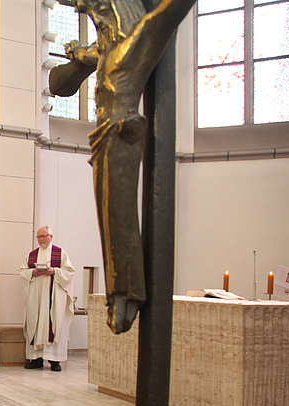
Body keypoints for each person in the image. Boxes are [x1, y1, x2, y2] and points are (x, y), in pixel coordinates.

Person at [49, 0, 196, 333]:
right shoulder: (104, 48)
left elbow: (168, 13)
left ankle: (126, 293)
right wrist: (79, 55)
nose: (91, 18)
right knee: (108, 215)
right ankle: (122, 290)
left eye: (94, 12)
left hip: (122, 132)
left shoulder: (137, 42)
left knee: (119, 212)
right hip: (104, 136)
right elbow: (58, 85)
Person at [18, 226, 75, 372]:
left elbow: (69, 272)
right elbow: (22, 271)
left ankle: (55, 361)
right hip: (36, 298)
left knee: (54, 323)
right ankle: (36, 359)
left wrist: (54, 271)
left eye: (44, 236)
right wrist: (33, 272)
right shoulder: (32, 255)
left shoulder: (60, 253)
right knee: (35, 323)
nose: (41, 239)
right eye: (39, 237)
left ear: (51, 236)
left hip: (53, 297)